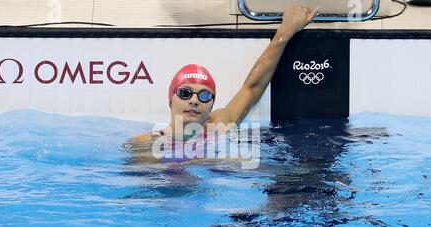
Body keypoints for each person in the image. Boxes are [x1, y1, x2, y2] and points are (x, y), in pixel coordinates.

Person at [130, 5, 318, 146]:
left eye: (204, 96)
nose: (194, 101)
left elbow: (252, 88)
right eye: (185, 93)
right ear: (170, 99)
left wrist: (285, 31)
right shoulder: (145, 143)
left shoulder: (220, 123)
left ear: (212, 104)